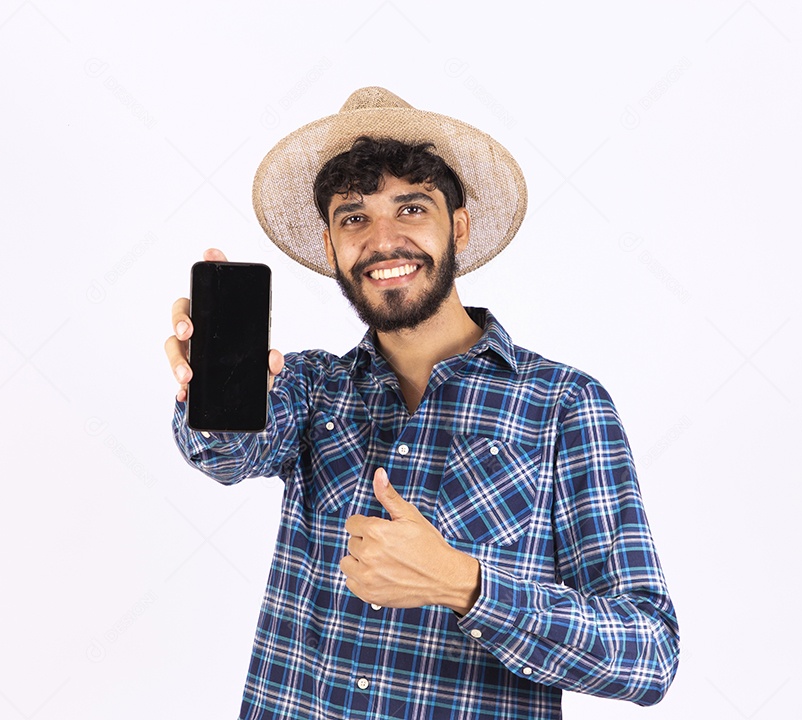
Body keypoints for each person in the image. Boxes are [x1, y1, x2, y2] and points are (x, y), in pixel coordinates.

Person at [164, 87, 679, 718]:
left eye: (410, 208)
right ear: (330, 247)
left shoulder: (564, 406)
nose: (382, 241)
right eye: (353, 217)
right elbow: (222, 454)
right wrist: (209, 386)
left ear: (457, 226)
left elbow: (648, 655)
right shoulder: (308, 388)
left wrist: (464, 585)